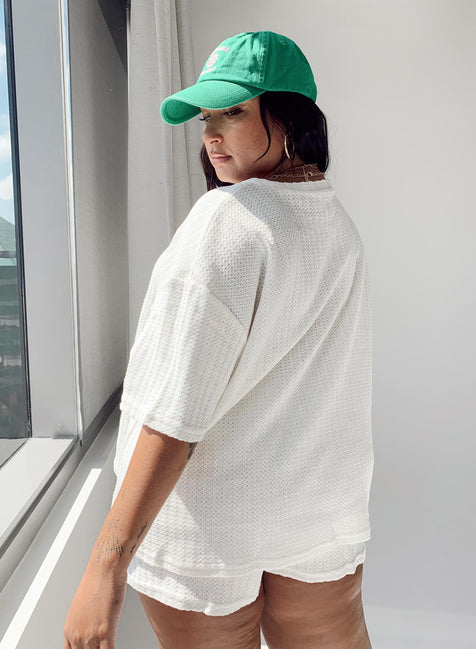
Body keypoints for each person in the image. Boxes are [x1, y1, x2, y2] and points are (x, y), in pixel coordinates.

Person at [64, 30, 374, 649]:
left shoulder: (226, 222)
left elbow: (172, 415)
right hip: (317, 512)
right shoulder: (334, 221)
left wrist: (104, 569)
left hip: (210, 526)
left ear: (289, 116)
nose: (210, 134)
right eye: (206, 117)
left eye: (232, 112)